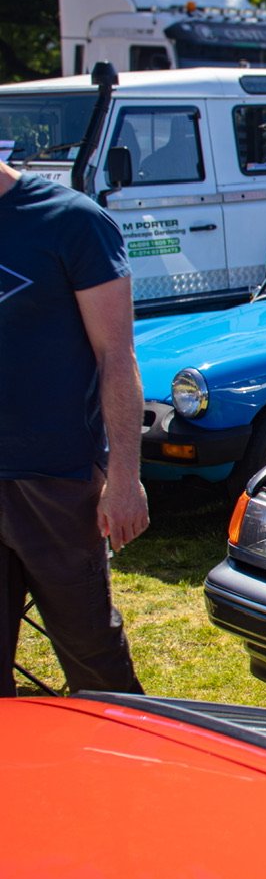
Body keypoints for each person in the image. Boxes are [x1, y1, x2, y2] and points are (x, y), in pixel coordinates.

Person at [0, 157, 149, 697]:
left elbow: (116, 356)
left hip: (56, 481)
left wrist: (124, 477)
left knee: (93, 660)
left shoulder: (70, 220)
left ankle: (126, 746)